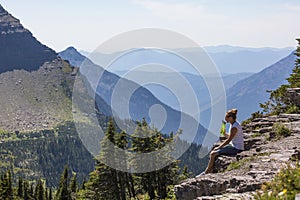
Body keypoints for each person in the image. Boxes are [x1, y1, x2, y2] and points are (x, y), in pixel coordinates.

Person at [196, 109, 244, 177]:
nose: (225, 118)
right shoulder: (233, 124)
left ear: (230, 118)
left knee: (213, 154)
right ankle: (209, 170)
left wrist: (219, 147)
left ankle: (206, 172)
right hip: (234, 146)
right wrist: (224, 133)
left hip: (237, 148)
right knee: (214, 153)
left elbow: (228, 140)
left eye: (226, 117)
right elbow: (230, 136)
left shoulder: (234, 127)